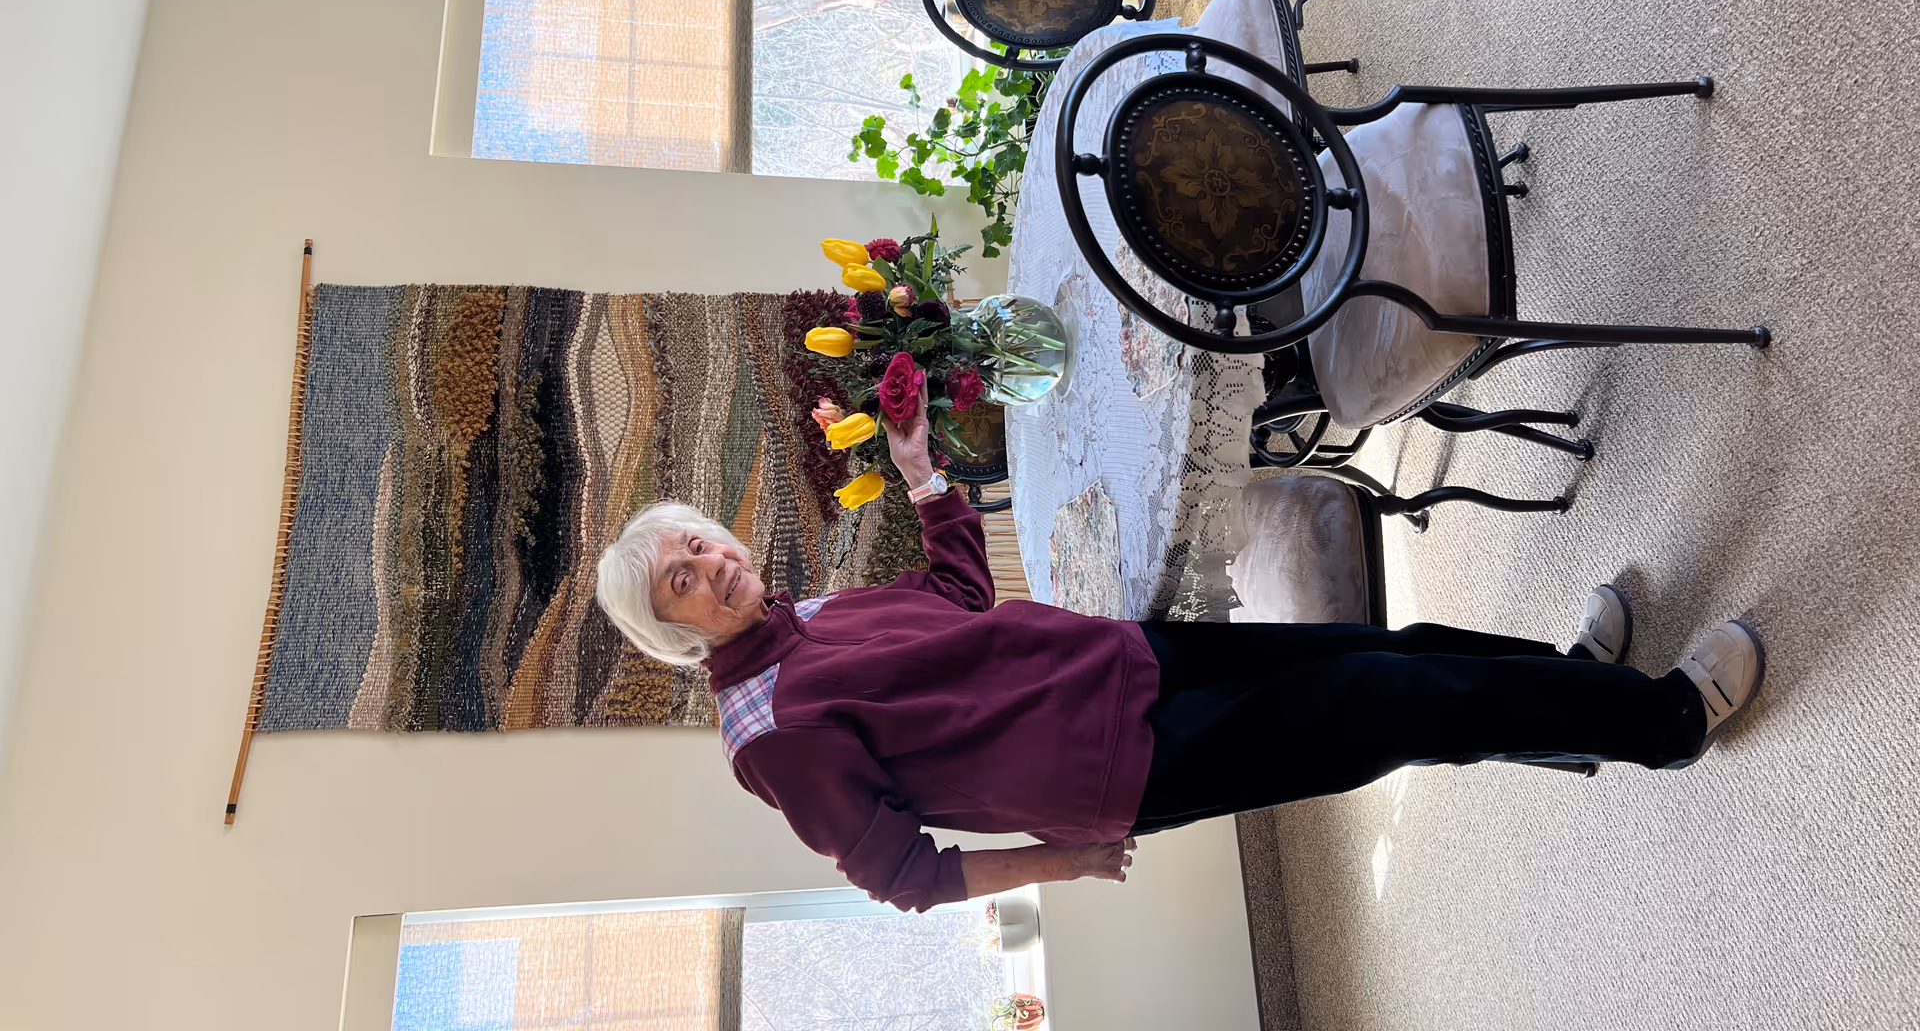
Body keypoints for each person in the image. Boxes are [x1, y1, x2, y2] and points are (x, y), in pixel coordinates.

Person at [594, 390, 1764, 912]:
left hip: (1126, 663)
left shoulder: (808, 622)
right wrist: (1067, 864)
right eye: (680, 585)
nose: (707, 569)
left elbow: (955, 590)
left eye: (697, 544)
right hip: (1126, 765)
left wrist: (920, 470)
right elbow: (905, 875)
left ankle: (1578, 695)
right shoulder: (772, 737)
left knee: (1388, 648)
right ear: (676, 632)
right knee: (1392, 702)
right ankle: (1665, 723)